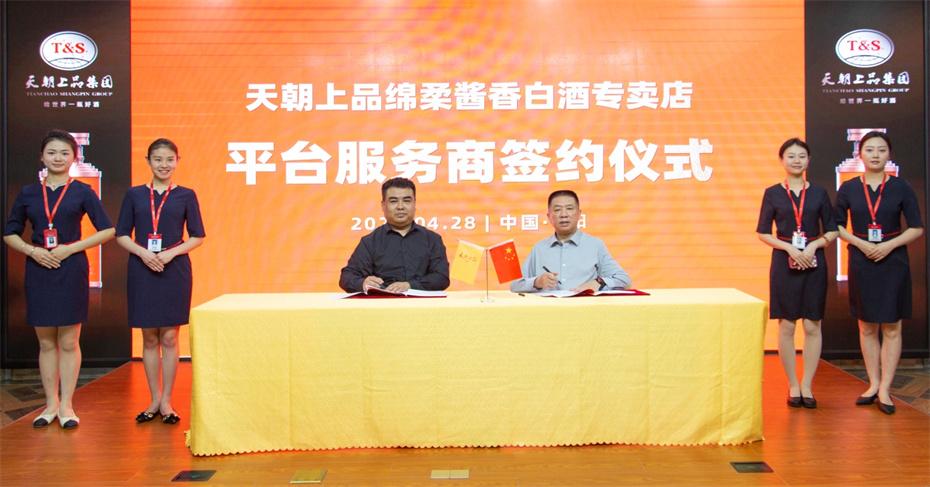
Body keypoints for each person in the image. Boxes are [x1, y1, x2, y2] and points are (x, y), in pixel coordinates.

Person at [3, 130, 115, 429]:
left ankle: (67, 405)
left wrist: (70, 248)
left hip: (70, 268)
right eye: (52, 152)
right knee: (45, 342)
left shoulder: (82, 192)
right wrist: (33, 251)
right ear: (42, 157)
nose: (58, 158)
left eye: (65, 153)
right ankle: (50, 404)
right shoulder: (28, 193)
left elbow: (108, 230)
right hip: (39, 267)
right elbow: (10, 232)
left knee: (68, 340)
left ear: (74, 158)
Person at [116, 138, 205, 425]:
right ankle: (153, 399)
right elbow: (121, 234)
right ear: (148, 161)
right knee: (149, 337)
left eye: (169, 159)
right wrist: (144, 254)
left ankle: (167, 401)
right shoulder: (134, 195)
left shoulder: (186, 195)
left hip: (174, 268)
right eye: (158, 159)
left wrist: (169, 254)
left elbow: (197, 236)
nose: (163, 165)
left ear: (177, 161)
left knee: (169, 336)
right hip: (142, 268)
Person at [835, 131, 924, 415]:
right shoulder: (848, 188)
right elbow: (836, 226)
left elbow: (916, 227)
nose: (875, 155)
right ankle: (872, 383)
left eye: (881, 150)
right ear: (860, 154)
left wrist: (888, 245)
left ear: (889, 154)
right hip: (861, 259)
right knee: (867, 325)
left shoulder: (901, 187)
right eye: (870, 150)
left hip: (893, 260)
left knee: (892, 325)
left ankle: (886, 388)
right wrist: (861, 244)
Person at [756, 138, 838, 409]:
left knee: (813, 324)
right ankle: (793, 384)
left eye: (801, 156)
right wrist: (790, 248)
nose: (796, 160)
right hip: (784, 261)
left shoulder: (819, 193)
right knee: (788, 325)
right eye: (791, 156)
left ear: (808, 160)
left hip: (814, 261)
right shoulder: (772, 193)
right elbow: (763, 232)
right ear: (782, 160)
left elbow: (832, 230)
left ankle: (807, 385)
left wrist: (813, 245)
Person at [339, 177, 449, 293]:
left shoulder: (432, 239)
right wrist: (363, 283)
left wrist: (410, 285)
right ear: (383, 205)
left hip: (423, 303)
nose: (400, 207)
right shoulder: (370, 242)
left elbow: (441, 278)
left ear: (414, 204)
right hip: (384, 303)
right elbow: (346, 277)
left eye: (407, 201)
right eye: (393, 201)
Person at [510, 190, 631, 293]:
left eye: (569, 208)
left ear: (579, 214)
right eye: (557, 209)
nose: (564, 214)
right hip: (549, 311)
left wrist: (598, 282)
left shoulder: (595, 245)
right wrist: (537, 282)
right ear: (549, 216)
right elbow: (515, 285)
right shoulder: (539, 248)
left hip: (584, 310)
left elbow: (624, 279)